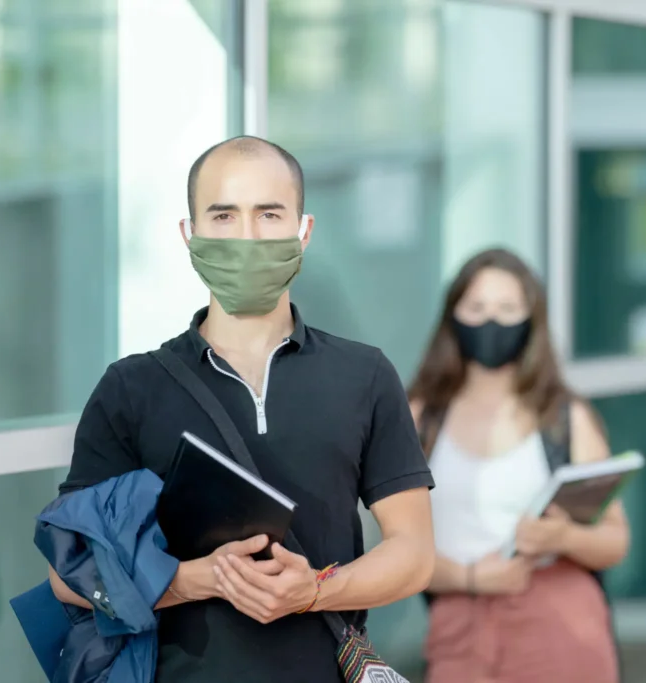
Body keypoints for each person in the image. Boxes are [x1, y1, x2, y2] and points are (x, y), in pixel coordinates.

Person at [48, 135, 436, 683]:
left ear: (304, 231)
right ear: (190, 234)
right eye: (224, 215)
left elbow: (414, 553)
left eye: (269, 214)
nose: (247, 236)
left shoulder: (364, 374)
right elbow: (68, 573)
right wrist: (194, 579)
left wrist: (314, 592)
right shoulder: (131, 388)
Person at [407, 248, 630, 683]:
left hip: (559, 624)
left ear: (533, 320)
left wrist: (561, 535)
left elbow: (615, 541)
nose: (491, 321)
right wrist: (469, 577)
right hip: (458, 627)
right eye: (476, 307)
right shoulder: (418, 418)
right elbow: (393, 548)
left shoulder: (565, 417)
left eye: (508, 309)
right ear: (452, 315)